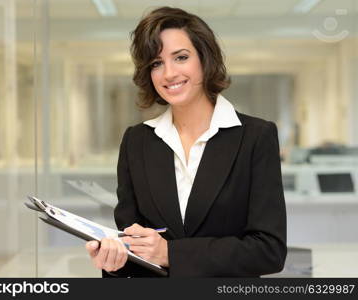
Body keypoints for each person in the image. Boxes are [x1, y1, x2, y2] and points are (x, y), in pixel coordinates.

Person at [85, 6, 287, 277]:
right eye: (156, 63)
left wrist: (171, 254)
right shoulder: (137, 141)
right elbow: (135, 248)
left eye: (180, 57)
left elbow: (269, 251)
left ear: (205, 59)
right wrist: (115, 262)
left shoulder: (255, 137)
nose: (168, 73)